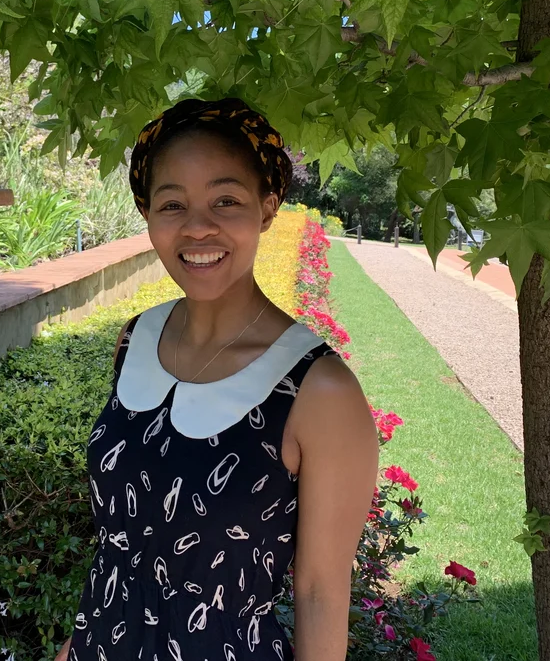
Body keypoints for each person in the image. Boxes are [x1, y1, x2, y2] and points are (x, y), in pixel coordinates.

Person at [54, 97, 379, 661]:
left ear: (268, 207)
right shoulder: (136, 339)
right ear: (148, 214)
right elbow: (119, 553)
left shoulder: (317, 389)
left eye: (225, 200)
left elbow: (321, 593)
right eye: (172, 203)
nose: (197, 227)